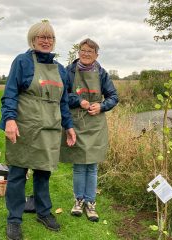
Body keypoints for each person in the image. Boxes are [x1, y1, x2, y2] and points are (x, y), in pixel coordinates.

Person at [0, 20, 76, 240]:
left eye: (49, 37)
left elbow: (63, 102)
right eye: (41, 37)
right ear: (32, 40)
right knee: (17, 173)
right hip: (25, 125)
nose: (46, 41)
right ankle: (14, 219)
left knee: (43, 172)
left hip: (50, 127)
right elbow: (10, 93)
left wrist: (68, 126)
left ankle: (43, 212)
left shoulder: (60, 69)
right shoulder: (22, 61)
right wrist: (10, 120)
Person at [60, 38, 118, 222]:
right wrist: (80, 101)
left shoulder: (101, 73)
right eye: (83, 50)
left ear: (96, 55)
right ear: (79, 52)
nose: (86, 54)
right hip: (76, 122)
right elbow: (63, 95)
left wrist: (101, 106)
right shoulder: (68, 71)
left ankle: (91, 203)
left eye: (90, 51)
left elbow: (113, 96)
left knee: (92, 166)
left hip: (95, 124)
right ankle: (78, 201)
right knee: (78, 165)